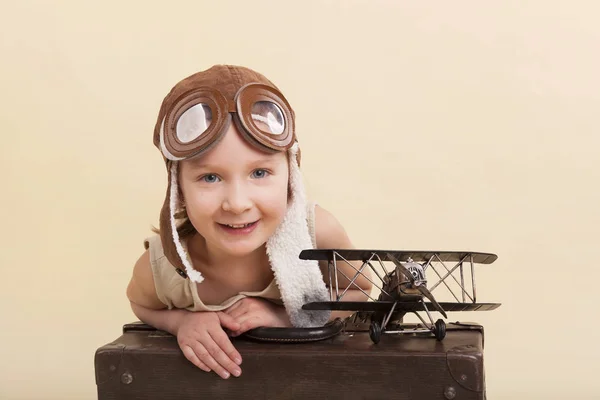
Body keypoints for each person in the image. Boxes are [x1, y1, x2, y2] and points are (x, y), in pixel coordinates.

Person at [126, 65, 373, 380]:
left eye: (259, 173)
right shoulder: (163, 267)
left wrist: (284, 316)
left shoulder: (317, 234)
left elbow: (360, 291)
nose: (238, 203)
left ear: (290, 176)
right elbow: (140, 304)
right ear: (178, 190)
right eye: (210, 177)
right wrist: (182, 323)